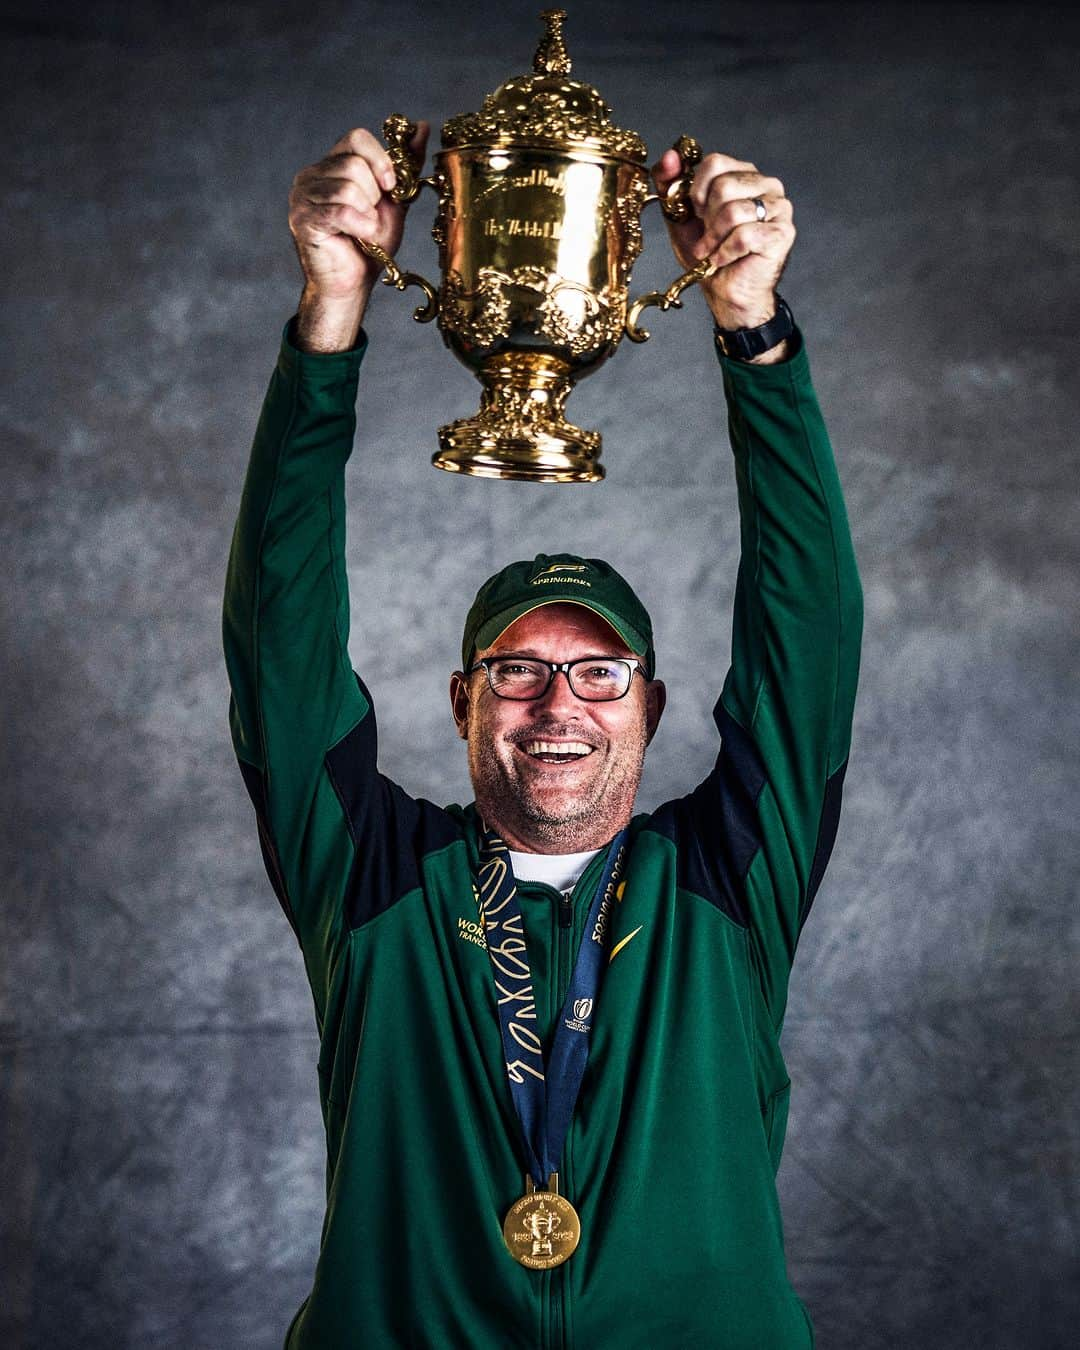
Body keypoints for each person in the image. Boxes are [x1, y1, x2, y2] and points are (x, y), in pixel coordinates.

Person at [223, 120, 862, 1349]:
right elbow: (279, 643)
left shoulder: (728, 881)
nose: (558, 704)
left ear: (652, 706)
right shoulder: (369, 879)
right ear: (464, 704)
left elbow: (809, 636)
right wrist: (331, 319)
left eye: (599, 673)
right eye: (516, 671)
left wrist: (753, 328)